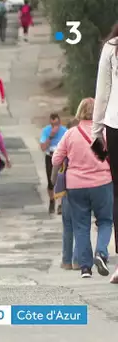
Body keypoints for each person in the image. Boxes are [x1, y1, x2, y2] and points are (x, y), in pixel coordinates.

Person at [52, 98, 113, 279]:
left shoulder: (71, 133)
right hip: (102, 183)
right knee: (105, 221)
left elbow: (56, 159)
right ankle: (100, 253)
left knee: (81, 226)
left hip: (76, 186)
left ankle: (85, 268)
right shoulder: (104, 133)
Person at [92, 23, 118, 283]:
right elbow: (103, 92)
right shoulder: (111, 48)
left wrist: (96, 132)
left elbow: (103, 92)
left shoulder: (112, 48)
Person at [51, 118, 79, 271]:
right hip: (84, 185)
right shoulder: (87, 140)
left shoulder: (66, 142)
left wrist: (55, 182)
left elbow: (56, 163)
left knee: (68, 225)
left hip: (68, 187)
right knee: (82, 225)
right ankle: (78, 260)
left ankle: (67, 260)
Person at [39, 112, 68, 214]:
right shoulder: (46, 131)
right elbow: (42, 147)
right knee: (51, 182)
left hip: (62, 158)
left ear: (59, 122)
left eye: (56, 124)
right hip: (50, 157)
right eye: (52, 124)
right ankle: (52, 200)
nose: (54, 127)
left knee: (61, 180)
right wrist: (50, 136)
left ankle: (61, 204)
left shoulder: (65, 131)